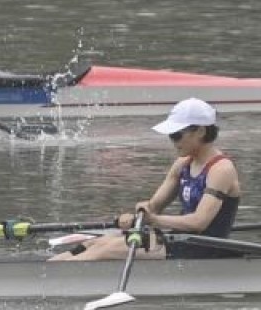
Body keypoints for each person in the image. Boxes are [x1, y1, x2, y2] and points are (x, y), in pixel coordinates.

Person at [50, 98, 241, 261]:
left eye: (176, 135)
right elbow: (154, 207)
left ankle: (48, 282)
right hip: (179, 240)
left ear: (200, 131)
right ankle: (48, 268)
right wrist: (138, 215)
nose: (172, 141)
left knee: (106, 250)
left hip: (204, 248)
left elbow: (199, 222)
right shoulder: (182, 164)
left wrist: (154, 220)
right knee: (95, 242)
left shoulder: (221, 169)